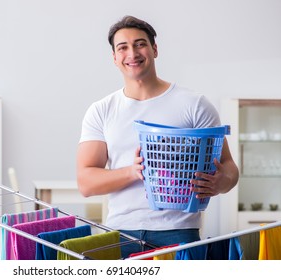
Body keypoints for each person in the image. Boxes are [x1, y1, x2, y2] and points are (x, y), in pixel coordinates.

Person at [76, 15, 239, 258]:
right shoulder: (102, 110)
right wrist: (132, 172)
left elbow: (229, 168)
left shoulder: (194, 104)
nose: (132, 53)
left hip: (179, 231)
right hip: (121, 233)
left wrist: (219, 183)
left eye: (140, 43)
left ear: (154, 49)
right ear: (114, 57)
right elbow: (86, 182)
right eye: (123, 47)